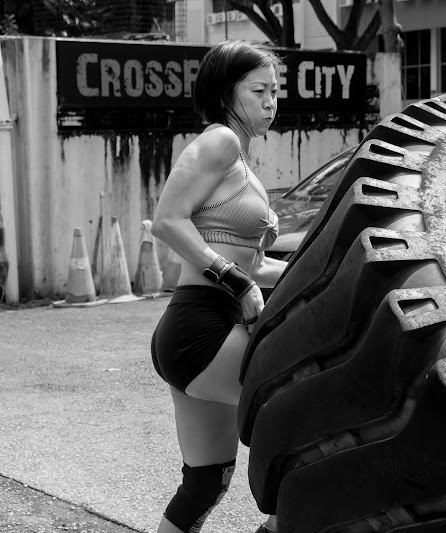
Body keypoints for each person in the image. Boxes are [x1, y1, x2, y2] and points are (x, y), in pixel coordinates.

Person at [150, 39, 287, 533]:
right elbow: (167, 221)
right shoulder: (220, 142)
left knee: (206, 482)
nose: (271, 102)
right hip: (202, 326)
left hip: (199, 334)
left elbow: (256, 265)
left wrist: (323, 269)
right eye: (259, 91)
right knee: (308, 427)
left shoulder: (242, 164)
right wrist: (235, 279)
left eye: (275, 91)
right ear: (227, 93)